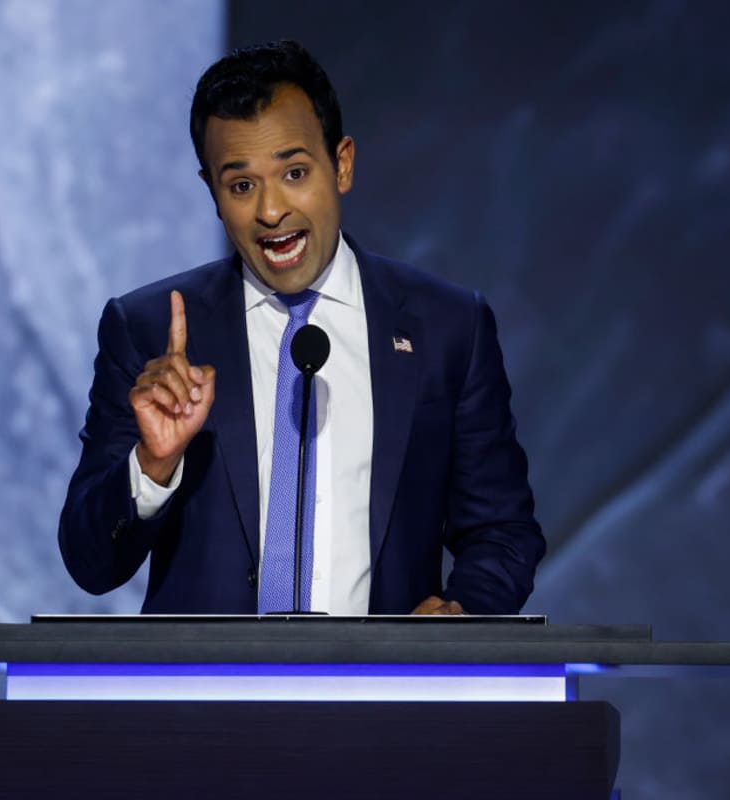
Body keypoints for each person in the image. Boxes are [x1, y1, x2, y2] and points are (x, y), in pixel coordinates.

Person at [59, 40, 545, 615]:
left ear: (342, 165)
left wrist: (462, 613)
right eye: (242, 185)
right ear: (212, 191)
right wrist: (152, 466)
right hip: (204, 677)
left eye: (294, 172)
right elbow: (90, 563)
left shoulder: (447, 327)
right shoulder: (148, 331)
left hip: (386, 674)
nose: (271, 211)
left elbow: (502, 531)